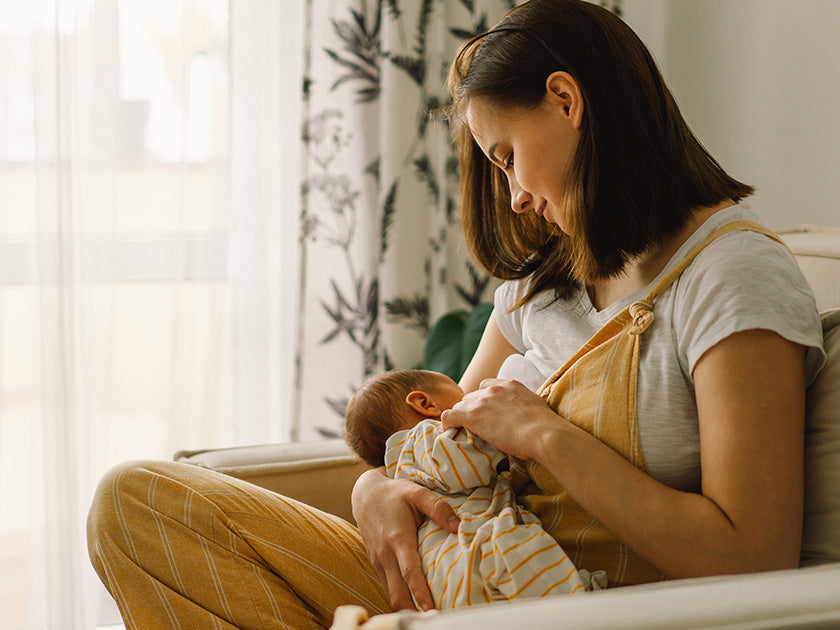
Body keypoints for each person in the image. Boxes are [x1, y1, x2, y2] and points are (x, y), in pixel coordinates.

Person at [86, 0, 826, 627]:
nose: (515, 198)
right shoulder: (548, 285)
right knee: (134, 506)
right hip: (461, 578)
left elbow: (751, 552)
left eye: (506, 156)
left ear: (566, 102)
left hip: (570, 604)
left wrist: (548, 436)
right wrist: (373, 488)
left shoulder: (731, 275)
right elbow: (442, 449)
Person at [344, 368, 603, 608]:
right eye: (463, 393)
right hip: (478, 546)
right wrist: (504, 424)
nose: (472, 398)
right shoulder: (422, 438)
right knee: (532, 569)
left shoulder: (405, 469)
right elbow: (461, 462)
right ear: (425, 403)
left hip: (447, 575)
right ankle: (580, 604)